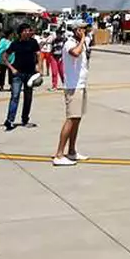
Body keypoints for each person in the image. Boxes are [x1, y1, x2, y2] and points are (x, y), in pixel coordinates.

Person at [53, 23, 90, 167]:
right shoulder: (69, 43)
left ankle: (72, 150)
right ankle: (59, 154)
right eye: (82, 29)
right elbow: (75, 53)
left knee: (77, 119)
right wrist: (82, 40)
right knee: (71, 119)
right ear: (76, 30)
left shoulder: (80, 42)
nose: (84, 31)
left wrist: (83, 40)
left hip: (80, 84)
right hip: (72, 86)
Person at [3, 24, 41, 131]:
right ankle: (9, 120)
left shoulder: (33, 42)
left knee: (28, 98)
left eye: (29, 30)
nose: (27, 32)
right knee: (15, 96)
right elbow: (4, 56)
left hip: (30, 74)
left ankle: (25, 119)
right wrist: (11, 68)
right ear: (20, 32)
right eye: (25, 31)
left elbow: (39, 55)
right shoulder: (15, 44)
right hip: (18, 74)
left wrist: (40, 68)